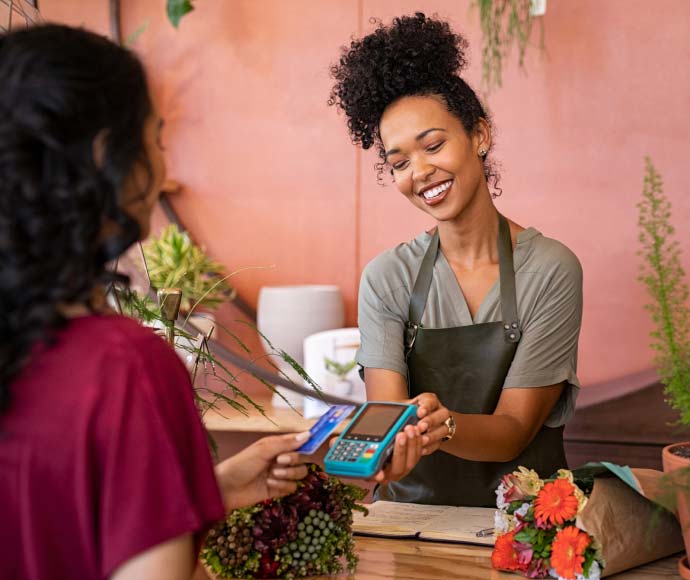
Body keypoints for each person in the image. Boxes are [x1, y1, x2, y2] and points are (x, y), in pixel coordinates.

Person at [0, 25, 311, 580]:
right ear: (105, 155)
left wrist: (201, 491)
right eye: (154, 138)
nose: (163, 168)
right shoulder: (125, 368)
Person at [328, 13, 583, 507]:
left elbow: (514, 428)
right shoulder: (387, 278)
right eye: (399, 162)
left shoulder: (551, 269)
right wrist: (387, 447)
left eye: (434, 145)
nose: (420, 172)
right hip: (412, 526)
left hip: (528, 525)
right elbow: (387, 416)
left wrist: (438, 423)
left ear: (480, 136)